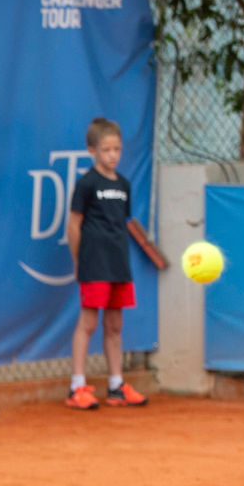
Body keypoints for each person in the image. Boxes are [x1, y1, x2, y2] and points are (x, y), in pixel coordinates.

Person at [64, 117, 148, 410]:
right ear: (92, 151)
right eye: (106, 149)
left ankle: (115, 386)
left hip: (119, 265)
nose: (113, 155)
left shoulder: (124, 184)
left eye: (117, 149)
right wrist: (79, 261)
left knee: (115, 324)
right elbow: (74, 225)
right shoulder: (86, 184)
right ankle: (77, 387)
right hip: (94, 263)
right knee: (88, 322)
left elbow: (119, 224)